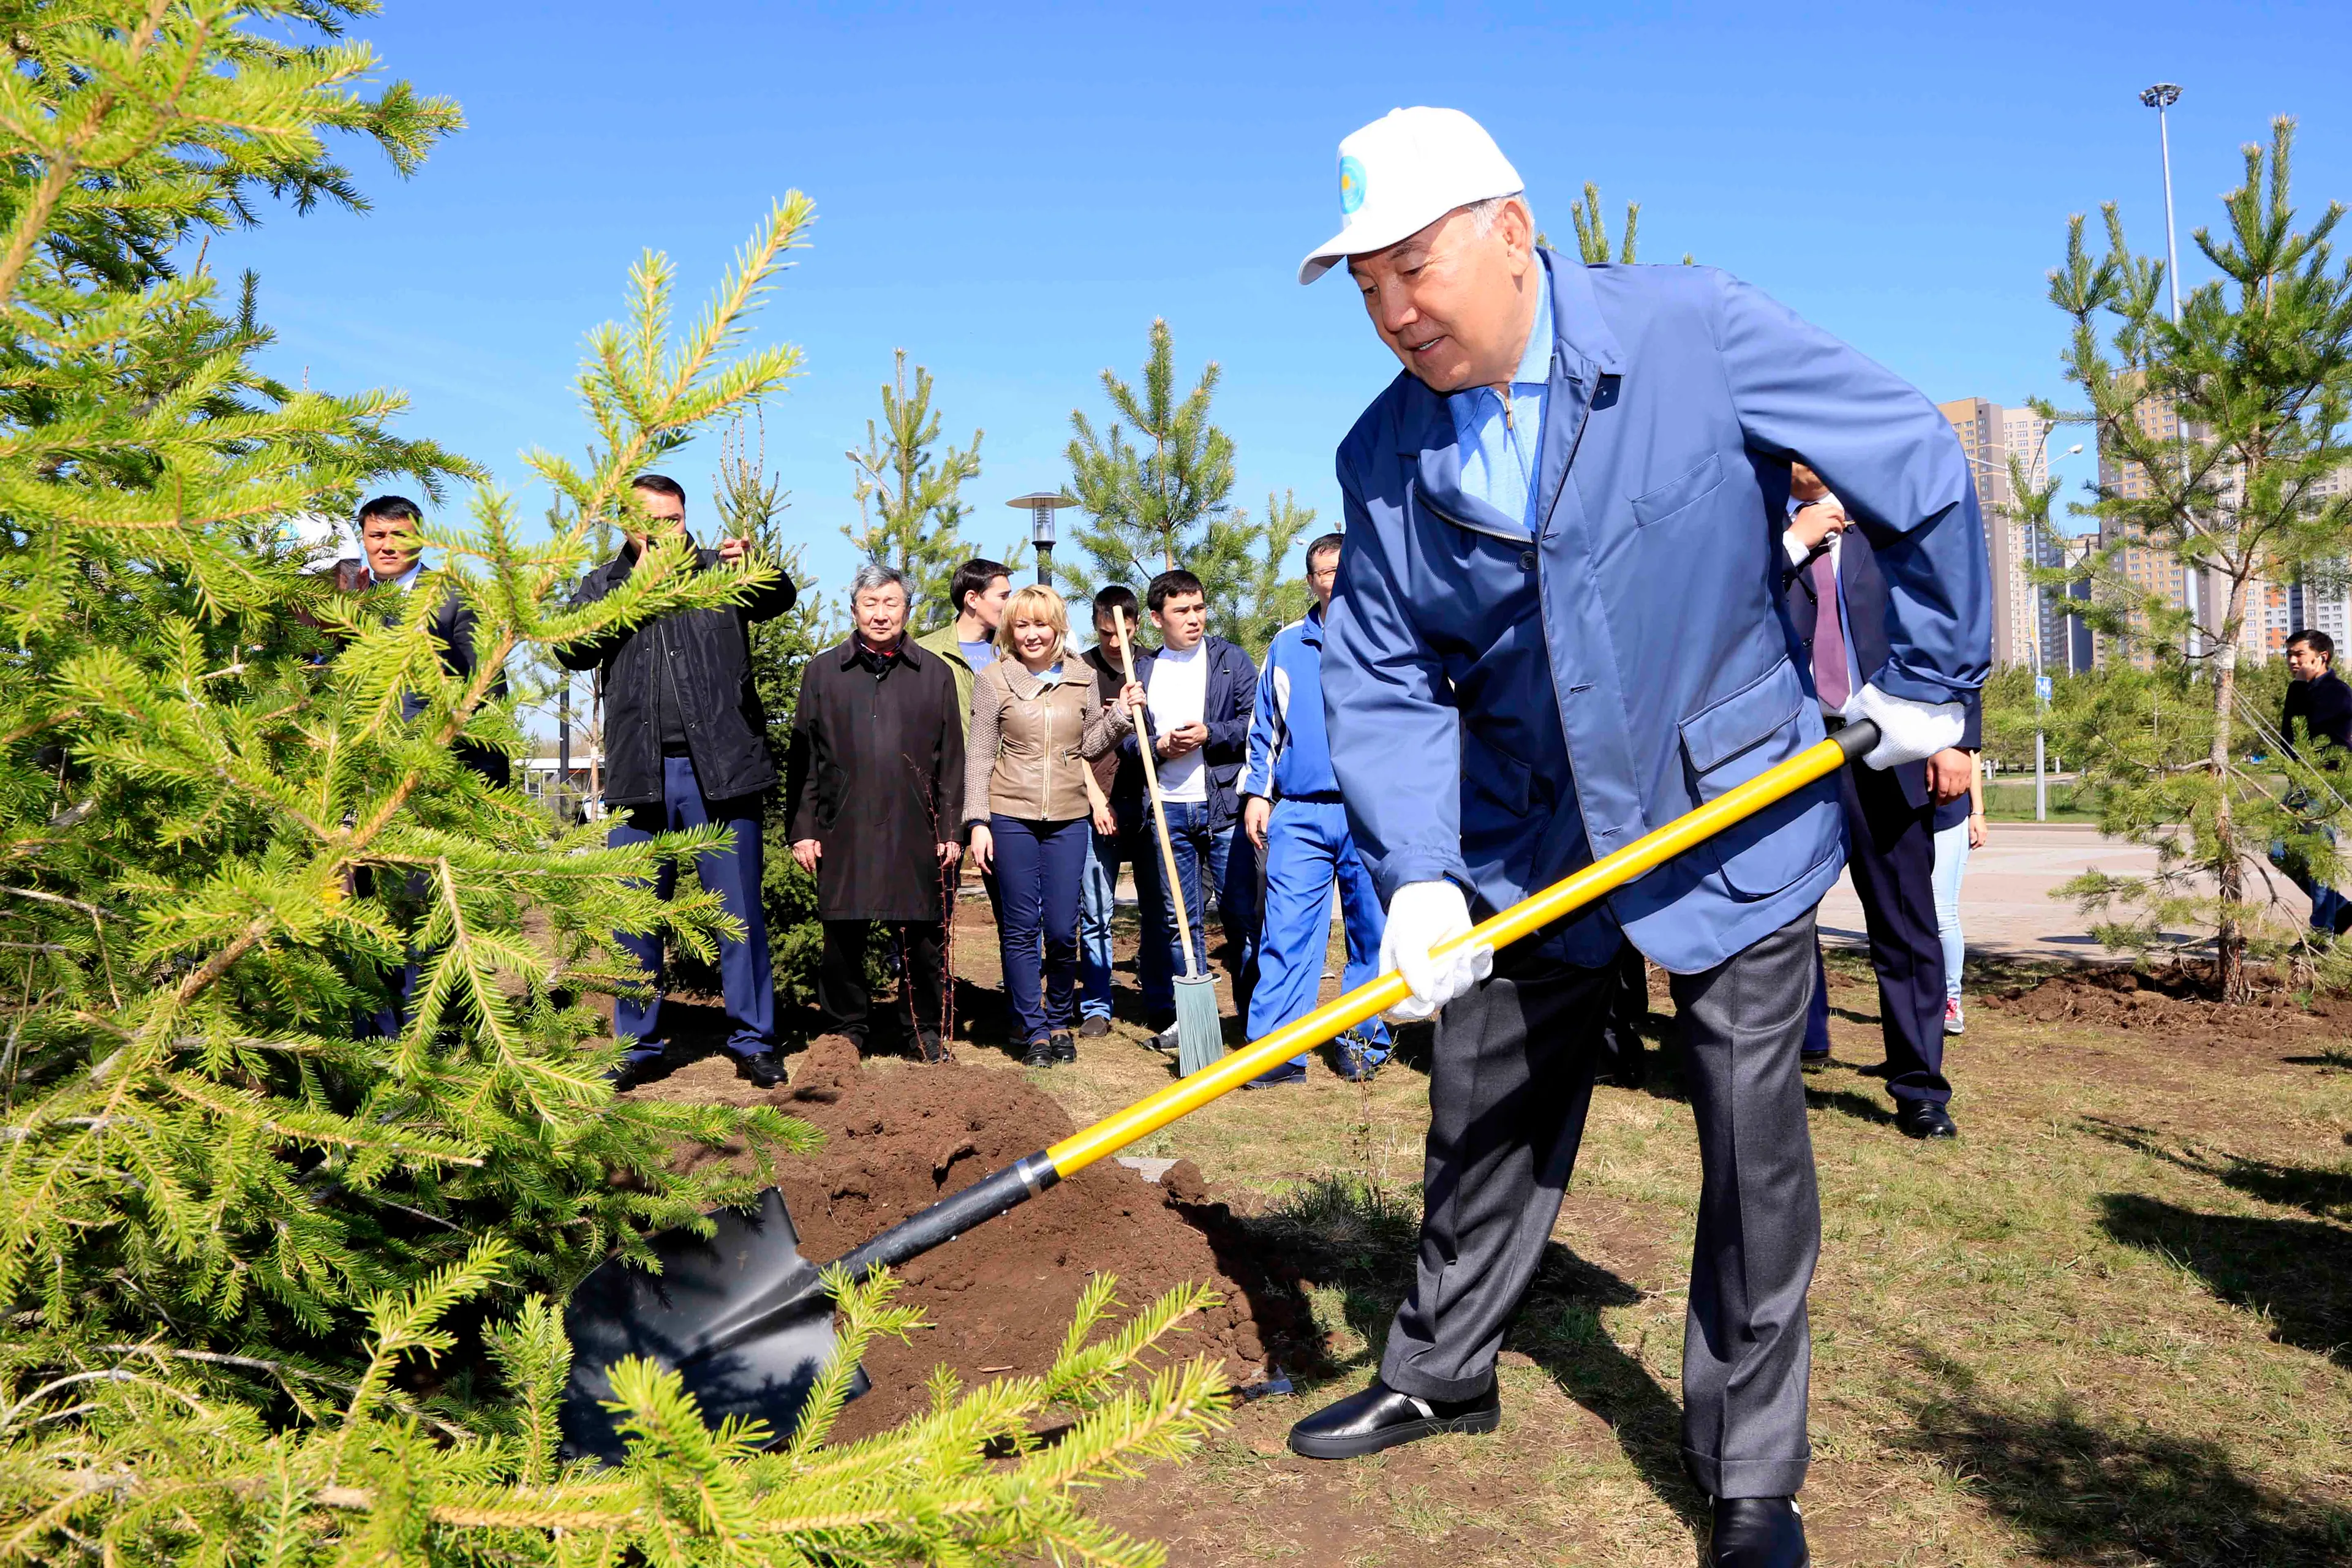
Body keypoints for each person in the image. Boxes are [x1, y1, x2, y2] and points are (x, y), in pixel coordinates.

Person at [1287, 108, 1989, 1568]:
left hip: (1722, 806)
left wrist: (1930, 671)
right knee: (1481, 1105)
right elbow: (1381, 666)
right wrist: (1417, 863)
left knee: (1748, 1141)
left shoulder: (1692, 328)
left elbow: (1906, 452)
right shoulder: (1381, 453)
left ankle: (1747, 1468)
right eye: (1363, 286)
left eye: (1410, 265)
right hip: (1524, 837)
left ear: (1508, 229)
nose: (1392, 309)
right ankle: (1437, 1366)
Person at [557, 474, 796, 1088]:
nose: (666, 532)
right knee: (634, 916)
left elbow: (776, 598)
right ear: (627, 526)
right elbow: (571, 651)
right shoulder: (603, 586)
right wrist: (630, 591)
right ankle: (636, 1049)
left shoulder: (722, 570)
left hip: (722, 771)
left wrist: (759, 565)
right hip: (640, 776)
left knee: (738, 915)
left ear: (687, 517)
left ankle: (754, 1041)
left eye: (675, 520)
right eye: (651, 523)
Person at [1782, 462, 1972, 1136]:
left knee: (1904, 922)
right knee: (1772, 915)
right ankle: (1777, 1056)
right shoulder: (1759, 534)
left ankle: (1920, 1089)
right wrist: (1793, 545)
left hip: (1883, 750)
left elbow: (1946, 627)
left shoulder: (1889, 528)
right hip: (1787, 754)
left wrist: (1955, 737)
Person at [786, 562, 965, 1062]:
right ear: (854, 609)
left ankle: (923, 1033)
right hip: (843, 825)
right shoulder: (823, 672)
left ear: (907, 610)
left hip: (917, 826)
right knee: (842, 936)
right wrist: (803, 829)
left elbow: (953, 758)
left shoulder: (934, 674)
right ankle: (846, 1035)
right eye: (871, 604)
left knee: (922, 937)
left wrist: (952, 829)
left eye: (891, 603)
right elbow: (804, 760)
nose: (881, 614)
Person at [348, 494, 510, 1040]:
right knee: (369, 911)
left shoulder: (453, 599)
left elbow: (485, 688)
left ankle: (426, 1034)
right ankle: (378, 1033)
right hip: (364, 785)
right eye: (376, 536)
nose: (387, 546)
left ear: (419, 538)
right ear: (363, 539)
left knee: (423, 912)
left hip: (431, 783)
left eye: (397, 535)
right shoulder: (350, 600)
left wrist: (481, 787)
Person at [965, 585, 1142, 1066]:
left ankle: (1060, 1017)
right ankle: (1034, 1029)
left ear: (1058, 626)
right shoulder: (993, 679)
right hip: (1010, 815)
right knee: (1022, 928)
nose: (1032, 634)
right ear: (1009, 629)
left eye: (1041, 624)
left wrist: (1122, 715)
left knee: (1064, 929)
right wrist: (978, 821)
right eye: (1021, 625)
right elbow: (980, 756)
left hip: (1068, 816)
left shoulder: (1082, 677)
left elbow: (1089, 744)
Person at [1238, 533, 1389, 1087]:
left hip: (1371, 813)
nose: (1334, 579)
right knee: (1286, 933)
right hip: (1299, 813)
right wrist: (1257, 792)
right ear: (1311, 581)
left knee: (1370, 935)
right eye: (1323, 572)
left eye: (1343, 569)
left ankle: (1361, 1041)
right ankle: (1277, 1052)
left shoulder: (1389, 636)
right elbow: (1263, 730)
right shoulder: (1285, 646)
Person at [1121, 568, 1258, 1047]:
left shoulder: (1230, 661)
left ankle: (1252, 1015)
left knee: (1240, 915)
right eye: (1182, 611)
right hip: (1168, 811)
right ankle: (1192, 1019)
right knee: (1181, 921)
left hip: (1223, 808)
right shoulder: (1142, 672)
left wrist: (1209, 735)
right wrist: (1157, 744)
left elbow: (1256, 725)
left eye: (1199, 608)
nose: (1194, 618)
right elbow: (1125, 746)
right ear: (1157, 618)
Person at [1079, 586, 1150, 1036]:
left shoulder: (1153, 666)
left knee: (1160, 909)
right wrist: (1096, 800)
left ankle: (1160, 997)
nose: (1114, 641)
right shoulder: (1079, 670)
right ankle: (1097, 1006)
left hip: (1148, 801)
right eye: (1106, 632)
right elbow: (1074, 746)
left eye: (1123, 632)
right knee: (1096, 911)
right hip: (1096, 803)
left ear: (1137, 626)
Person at [2272, 628, 2352, 933]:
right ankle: (2342, 909)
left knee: (2317, 857)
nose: (2292, 660)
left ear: (2322, 657)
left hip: (2325, 783)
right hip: (2299, 784)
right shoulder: (2296, 691)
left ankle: (2323, 933)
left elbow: (2334, 744)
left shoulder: (2338, 692)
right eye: (2289, 654)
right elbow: (2287, 738)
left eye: (2299, 654)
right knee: (2277, 851)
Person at [916, 558, 1013, 729]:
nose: (1011, 604)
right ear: (972, 599)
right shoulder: (925, 653)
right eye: (1003, 596)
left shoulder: (1013, 651)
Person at [1931, 752, 1987, 1035]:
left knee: (1942, 912)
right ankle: (1919, 998)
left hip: (1948, 816)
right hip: (1901, 811)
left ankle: (1951, 1001)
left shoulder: (1956, 705)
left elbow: (1972, 755)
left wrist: (1977, 812)